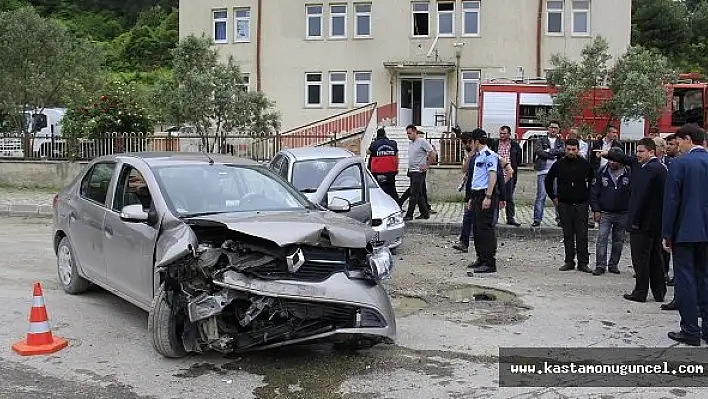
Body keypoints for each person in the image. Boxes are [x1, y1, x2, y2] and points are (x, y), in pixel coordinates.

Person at [603, 138, 667, 303]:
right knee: (655, 258)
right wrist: (608, 153)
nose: (637, 155)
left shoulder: (652, 169)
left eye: (640, 151)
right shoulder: (651, 166)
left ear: (651, 152)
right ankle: (659, 292)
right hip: (654, 223)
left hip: (643, 222)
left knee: (641, 259)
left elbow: (641, 197)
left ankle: (640, 292)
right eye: (637, 151)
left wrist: (634, 221)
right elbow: (628, 159)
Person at [662, 124, 708, 346]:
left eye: (679, 141)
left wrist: (667, 232)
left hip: (685, 232)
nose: (676, 146)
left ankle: (690, 329)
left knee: (686, 280)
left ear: (688, 139)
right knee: (705, 278)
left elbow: (672, 201)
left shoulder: (679, 164)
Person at [544, 138, 595, 272]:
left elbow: (593, 181)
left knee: (582, 234)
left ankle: (583, 263)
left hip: (581, 204)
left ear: (578, 150)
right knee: (567, 234)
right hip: (564, 204)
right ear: (565, 149)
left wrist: (589, 198)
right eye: (568, 149)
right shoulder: (558, 165)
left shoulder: (585, 164)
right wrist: (553, 197)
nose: (571, 152)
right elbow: (548, 181)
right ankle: (569, 261)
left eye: (574, 149)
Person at [589, 148, 631, 275]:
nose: (611, 162)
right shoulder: (601, 172)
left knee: (619, 240)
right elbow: (594, 192)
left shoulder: (630, 173)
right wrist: (595, 210)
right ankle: (600, 265)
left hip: (623, 213)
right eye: (609, 159)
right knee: (602, 238)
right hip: (605, 212)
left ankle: (613, 264)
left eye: (614, 160)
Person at [464, 128, 501, 275]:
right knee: (477, 229)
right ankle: (480, 258)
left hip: (485, 195)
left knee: (485, 229)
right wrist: (472, 198)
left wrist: (489, 196)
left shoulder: (489, 155)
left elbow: (492, 176)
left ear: (476, 141)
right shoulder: (477, 156)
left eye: (472, 141)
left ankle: (489, 262)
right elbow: (471, 175)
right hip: (476, 195)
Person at [532, 120, 565, 227]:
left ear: (559, 129)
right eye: (551, 127)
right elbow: (539, 151)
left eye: (555, 127)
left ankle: (560, 219)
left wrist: (548, 151)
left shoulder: (561, 142)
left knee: (558, 196)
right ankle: (537, 219)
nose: (553, 129)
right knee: (541, 196)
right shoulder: (540, 140)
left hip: (557, 172)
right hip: (542, 171)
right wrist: (554, 153)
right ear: (548, 128)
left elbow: (563, 151)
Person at [490, 125, 523, 226]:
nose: (502, 135)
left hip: (509, 174)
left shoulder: (515, 145)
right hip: (497, 174)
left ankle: (510, 218)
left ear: (509, 134)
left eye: (504, 133)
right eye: (501, 133)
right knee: (495, 196)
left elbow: (518, 159)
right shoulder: (495, 144)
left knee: (509, 197)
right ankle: (494, 218)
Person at [403, 125, 436, 221]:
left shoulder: (422, 142)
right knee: (420, 194)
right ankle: (425, 213)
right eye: (407, 133)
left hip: (419, 171)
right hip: (412, 171)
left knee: (413, 194)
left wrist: (427, 165)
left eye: (409, 133)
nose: (408, 135)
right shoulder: (411, 143)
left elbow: (432, 153)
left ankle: (409, 214)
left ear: (415, 132)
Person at [367, 128, 400, 202]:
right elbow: (397, 156)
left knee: (378, 188)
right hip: (391, 170)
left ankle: (380, 202)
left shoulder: (374, 144)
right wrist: (396, 167)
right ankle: (397, 204)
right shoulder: (393, 143)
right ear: (385, 134)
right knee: (392, 188)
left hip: (377, 171)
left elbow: (368, 152)